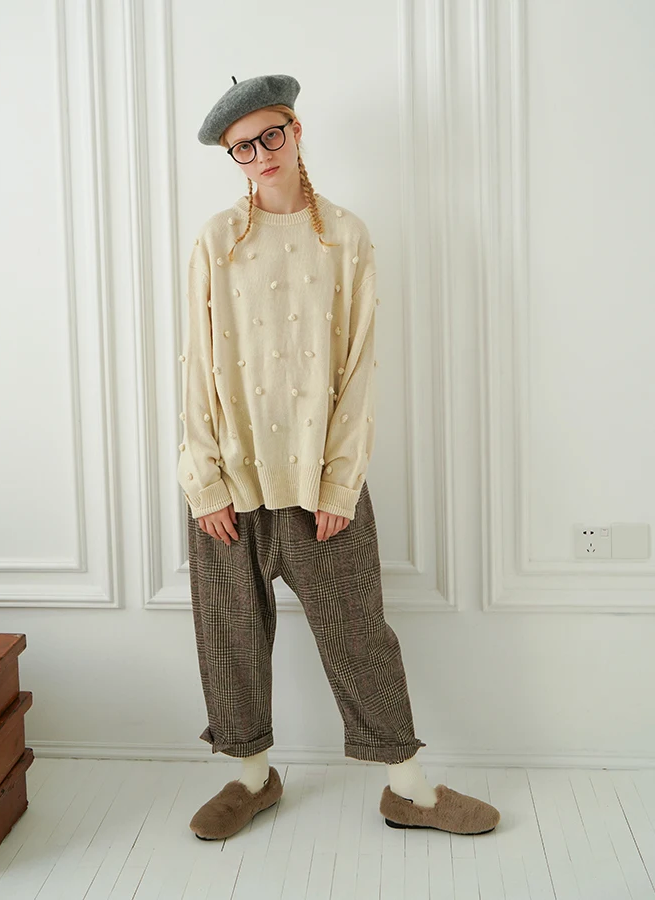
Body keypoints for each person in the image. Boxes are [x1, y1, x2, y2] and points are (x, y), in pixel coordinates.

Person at [178, 73, 500, 841]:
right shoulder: (217, 239)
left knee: (359, 634)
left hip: (318, 482)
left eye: (270, 135)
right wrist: (202, 482)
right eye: (241, 147)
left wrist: (340, 483)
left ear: (295, 130)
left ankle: (409, 789)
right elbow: (196, 365)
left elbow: (358, 368)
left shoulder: (346, 236)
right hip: (229, 480)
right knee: (230, 636)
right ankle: (251, 779)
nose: (260, 154)